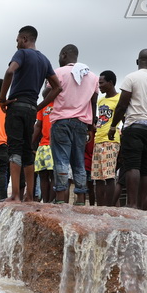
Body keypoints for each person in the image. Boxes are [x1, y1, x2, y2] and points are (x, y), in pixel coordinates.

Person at [0, 25, 60, 202]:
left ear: (25, 39)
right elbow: (58, 87)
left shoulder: (22, 54)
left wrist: (2, 99)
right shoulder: (44, 60)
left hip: (16, 106)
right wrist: (39, 106)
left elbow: (10, 71)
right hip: (31, 109)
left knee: (14, 149)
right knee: (27, 150)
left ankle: (15, 195)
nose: (16, 43)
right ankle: (30, 196)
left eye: (17, 40)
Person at [108, 49, 147, 209]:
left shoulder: (131, 78)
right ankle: (142, 205)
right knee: (146, 169)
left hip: (134, 126)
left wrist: (113, 126)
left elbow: (121, 105)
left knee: (133, 165)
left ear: (137, 61)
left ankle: (132, 203)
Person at [46, 45, 99, 206]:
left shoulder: (58, 72)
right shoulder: (92, 76)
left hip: (61, 121)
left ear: (64, 55)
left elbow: (46, 94)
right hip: (82, 124)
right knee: (79, 161)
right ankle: (81, 198)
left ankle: (61, 197)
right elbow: (94, 102)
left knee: (61, 159)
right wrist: (91, 126)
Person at [91, 70, 121, 207]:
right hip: (98, 140)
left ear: (110, 83)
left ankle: (109, 207)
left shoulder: (120, 99)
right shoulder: (101, 100)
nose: (100, 86)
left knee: (109, 176)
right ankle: (100, 207)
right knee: (97, 177)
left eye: (102, 83)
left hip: (111, 141)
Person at [32, 89, 54, 203]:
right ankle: (46, 202)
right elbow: (38, 126)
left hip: (55, 145)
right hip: (43, 145)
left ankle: (50, 202)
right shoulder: (42, 107)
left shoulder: (60, 105)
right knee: (43, 175)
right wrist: (31, 143)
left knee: (53, 176)